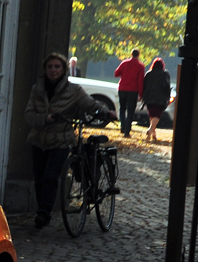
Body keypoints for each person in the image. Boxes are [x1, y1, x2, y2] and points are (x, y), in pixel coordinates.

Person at [25, 52, 115, 229]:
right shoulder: (38, 89)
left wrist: (106, 112)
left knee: (51, 176)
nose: (53, 70)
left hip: (62, 139)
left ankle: (44, 213)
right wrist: (44, 119)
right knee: (39, 178)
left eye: (57, 67)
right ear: (45, 69)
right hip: (39, 139)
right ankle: (42, 211)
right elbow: (28, 114)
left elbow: (90, 104)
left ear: (64, 69)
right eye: (50, 67)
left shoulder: (73, 90)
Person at [114, 49, 145, 137]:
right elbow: (140, 81)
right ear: (138, 55)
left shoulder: (124, 63)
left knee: (122, 108)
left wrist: (124, 74)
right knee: (131, 110)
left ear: (131, 54)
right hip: (133, 90)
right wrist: (141, 94)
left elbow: (116, 73)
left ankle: (123, 125)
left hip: (122, 88)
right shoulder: (140, 66)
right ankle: (127, 131)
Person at [142, 58, 172, 142]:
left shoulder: (148, 74)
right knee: (157, 115)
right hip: (161, 97)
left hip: (149, 97)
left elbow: (144, 85)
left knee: (152, 114)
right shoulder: (165, 74)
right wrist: (168, 97)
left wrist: (143, 96)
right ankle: (151, 129)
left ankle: (153, 135)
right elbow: (167, 86)